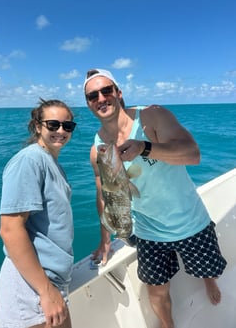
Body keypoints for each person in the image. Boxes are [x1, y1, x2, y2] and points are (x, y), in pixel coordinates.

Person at [83, 69, 227, 328]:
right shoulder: (98, 150)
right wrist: (105, 240)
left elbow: (193, 154)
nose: (101, 98)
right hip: (148, 231)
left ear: (118, 92)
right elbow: (105, 193)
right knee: (157, 292)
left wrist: (144, 147)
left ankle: (209, 280)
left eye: (106, 90)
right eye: (93, 95)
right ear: (89, 103)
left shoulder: (152, 117)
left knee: (211, 269)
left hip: (190, 221)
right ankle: (167, 324)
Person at [0, 99, 76, 328]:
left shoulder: (49, 162)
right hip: (32, 287)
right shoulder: (29, 160)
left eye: (67, 126)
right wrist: (45, 290)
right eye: (53, 125)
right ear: (37, 126)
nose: (61, 131)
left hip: (48, 281)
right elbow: (10, 229)